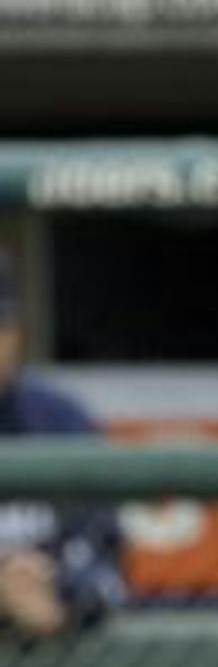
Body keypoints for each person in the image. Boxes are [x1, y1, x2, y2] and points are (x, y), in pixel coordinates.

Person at [0, 249, 126, 639]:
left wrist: (57, 590)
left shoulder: (60, 419)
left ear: (16, 331)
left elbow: (107, 562)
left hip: (56, 653)